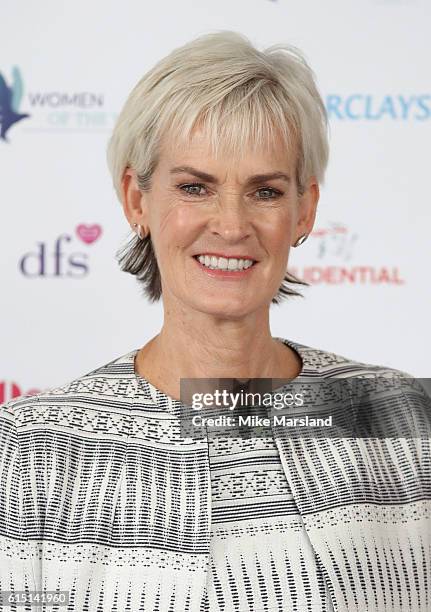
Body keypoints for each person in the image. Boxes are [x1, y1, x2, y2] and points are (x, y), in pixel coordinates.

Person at [1, 29, 430, 612]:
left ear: (304, 209)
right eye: (195, 187)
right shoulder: (28, 452)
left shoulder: (408, 425)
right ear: (136, 199)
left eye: (264, 191)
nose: (230, 224)